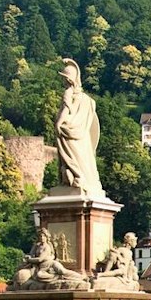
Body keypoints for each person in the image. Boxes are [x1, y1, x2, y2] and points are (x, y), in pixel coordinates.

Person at [53, 57, 105, 199]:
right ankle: (83, 179)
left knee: (71, 159)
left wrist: (58, 124)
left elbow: (66, 109)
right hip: (82, 137)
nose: (63, 81)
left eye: (64, 78)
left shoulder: (68, 93)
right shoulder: (86, 99)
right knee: (83, 159)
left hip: (69, 132)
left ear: (69, 79)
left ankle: (74, 179)